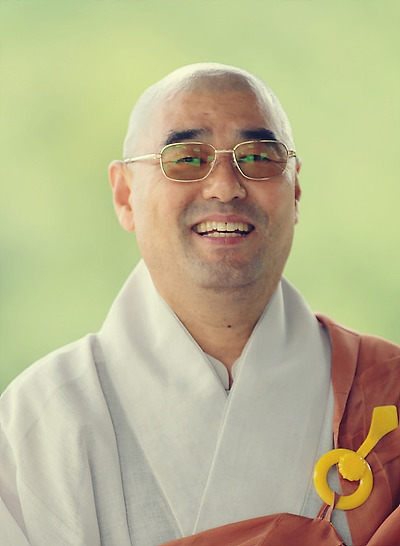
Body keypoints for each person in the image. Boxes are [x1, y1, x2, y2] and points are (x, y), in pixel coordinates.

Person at [1, 63, 399, 546]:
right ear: (125, 196)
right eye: (187, 158)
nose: (225, 186)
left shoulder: (386, 393)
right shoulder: (42, 419)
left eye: (259, 156)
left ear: (295, 189)